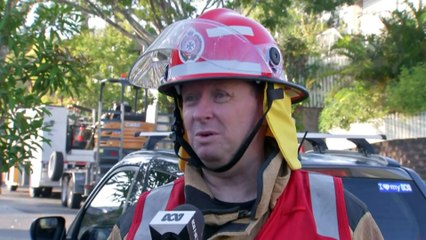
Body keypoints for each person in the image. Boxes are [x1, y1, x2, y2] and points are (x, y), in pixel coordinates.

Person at [109, 8, 384, 240]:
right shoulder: (141, 220)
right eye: (190, 98)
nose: (200, 113)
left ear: (267, 106)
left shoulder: (340, 217)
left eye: (221, 95)